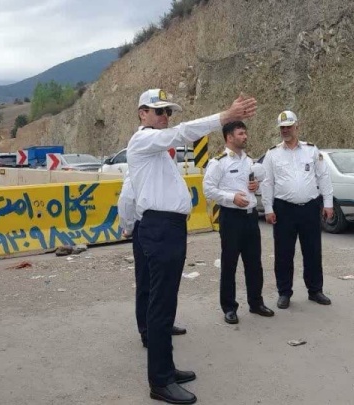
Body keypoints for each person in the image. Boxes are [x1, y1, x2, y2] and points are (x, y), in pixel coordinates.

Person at [127, 88, 256, 404]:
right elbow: (182, 134)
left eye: (168, 112)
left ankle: (167, 369)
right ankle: (159, 381)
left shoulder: (157, 151)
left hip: (168, 228)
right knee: (160, 306)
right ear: (143, 113)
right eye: (159, 111)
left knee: (166, 304)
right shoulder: (143, 140)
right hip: (159, 228)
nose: (165, 117)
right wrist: (223, 117)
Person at [260, 110, 334, 310]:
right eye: (282, 127)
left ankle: (315, 290)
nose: (285, 130)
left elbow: (323, 177)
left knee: (312, 251)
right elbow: (267, 183)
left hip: (310, 208)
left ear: (297, 127)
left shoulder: (311, 150)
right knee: (283, 253)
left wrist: (328, 204)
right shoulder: (272, 154)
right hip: (284, 209)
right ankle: (284, 293)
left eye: (289, 126)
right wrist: (268, 208)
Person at [203, 121, 275, 324]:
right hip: (231, 218)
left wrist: (255, 186)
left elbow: (257, 187)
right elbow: (208, 189)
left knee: (254, 263)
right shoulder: (219, 162)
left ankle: (256, 302)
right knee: (230, 264)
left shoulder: (249, 161)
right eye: (240, 133)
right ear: (229, 137)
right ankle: (229, 307)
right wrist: (231, 197)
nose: (245, 136)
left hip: (251, 217)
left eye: (245, 133)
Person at [117, 173, 187, 350]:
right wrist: (128, 226)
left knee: (166, 282)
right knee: (146, 281)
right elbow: (126, 199)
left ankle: (163, 325)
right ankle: (147, 331)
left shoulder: (167, 166)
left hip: (168, 226)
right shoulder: (141, 167)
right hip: (147, 226)